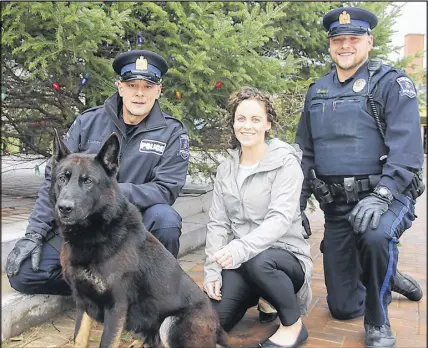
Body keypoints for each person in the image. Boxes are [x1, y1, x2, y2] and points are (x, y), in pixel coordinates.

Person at [6, 49, 190, 296]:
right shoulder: (88, 122)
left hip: (131, 224)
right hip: (85, 223)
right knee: (25, 275)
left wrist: (110, 191)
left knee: (166, 220)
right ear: (120, 87)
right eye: (132, 85)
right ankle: (102, 289)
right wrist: (35, 232)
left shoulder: (172, 133)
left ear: (159, 90)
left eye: (147, 86)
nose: (139, 93)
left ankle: (152, 295)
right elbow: (55, 178)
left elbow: (165, 189)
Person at [295, 7, 425, 348]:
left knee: (375, 235)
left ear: (369, 40)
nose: (346, 45)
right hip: (337, 206)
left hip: (387, 196)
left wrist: (382, 194)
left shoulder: (391, 84)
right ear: (330, 44)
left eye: (354, 38)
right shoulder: (317, 91)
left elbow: (408, 151)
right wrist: (296, 200)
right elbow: (305, 152)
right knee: (341, 308)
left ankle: (379, 321)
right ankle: (384, 272)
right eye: (339, 39)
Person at [204, 87, 313, 348]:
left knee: (259, 261)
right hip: (241, 260)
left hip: (283, 257)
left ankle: (293, 326)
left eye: (255, 119)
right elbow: (218, 222)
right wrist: (212, 271)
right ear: (233, 123)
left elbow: (280, 219)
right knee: (208, 325)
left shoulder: (285, 163)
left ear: (268, 124)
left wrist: (240, 248)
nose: (247, 126)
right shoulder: (226, 168)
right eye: (241, 119)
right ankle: (262, 296)